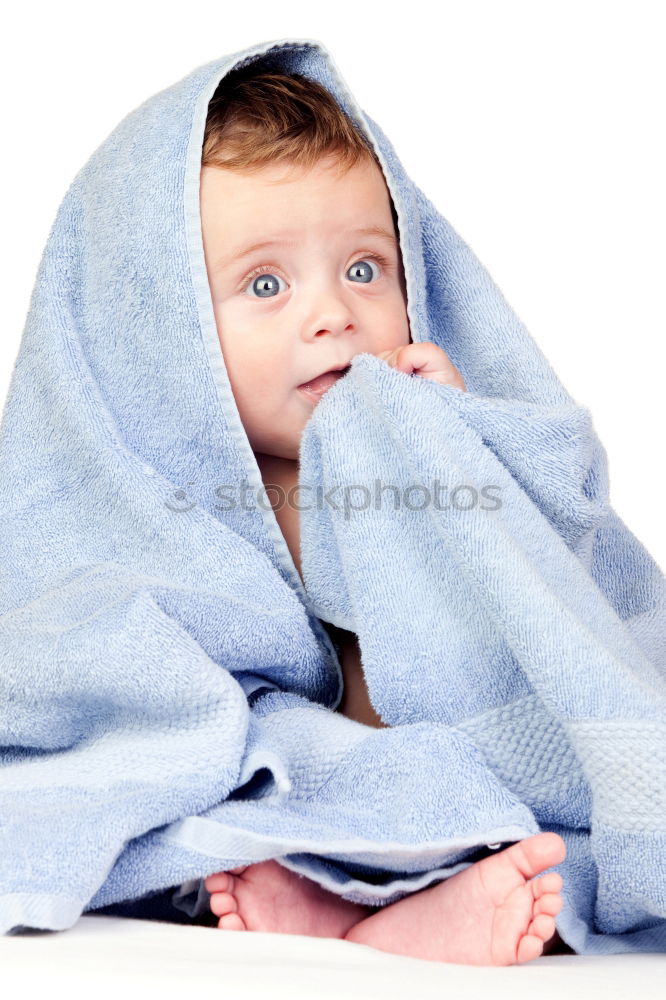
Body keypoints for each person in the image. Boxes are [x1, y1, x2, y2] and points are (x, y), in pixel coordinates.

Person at [196, 65, 571, 966]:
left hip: (435, 785)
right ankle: (307, 897)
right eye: (265, 285)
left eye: (364, 269)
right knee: (185, 806)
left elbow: (542, 584)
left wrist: (456, 442)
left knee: (517, 813)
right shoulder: (179, 499)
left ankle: (431, 904)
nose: (334, 314)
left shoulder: (414, 443)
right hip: (275, 789)